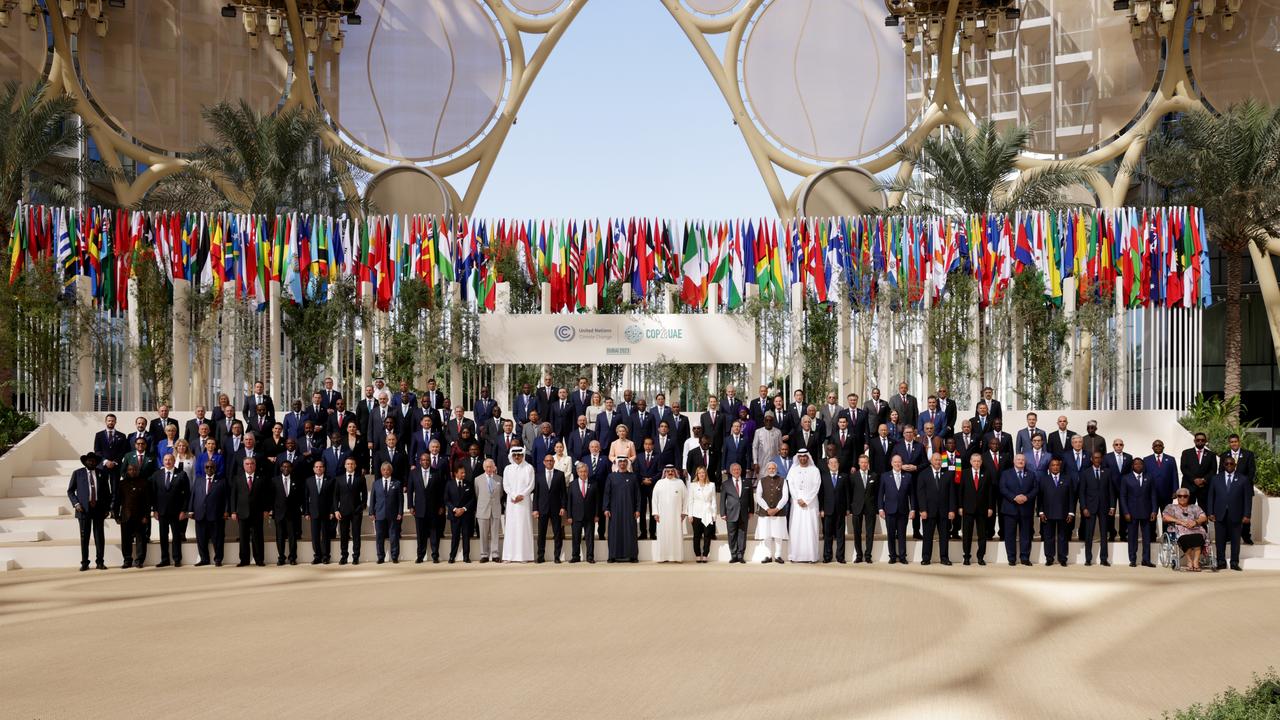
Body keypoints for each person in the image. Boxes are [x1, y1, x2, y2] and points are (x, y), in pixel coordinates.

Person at [1207, 455, 1252, 571]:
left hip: (1236, 514)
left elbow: (1247, 499)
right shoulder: (1216, 478)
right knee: (1220, 540)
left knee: (1235, 540)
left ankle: (1234, 562)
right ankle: (1221, 562)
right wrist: (1210, 512)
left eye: (1231, 464)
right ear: (1223, 465)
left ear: (1235, 465)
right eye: (1226, 464)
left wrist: (1247, 515)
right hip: (1219, 514)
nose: (1229, 466)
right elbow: (1211, 496)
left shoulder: (1243, 479)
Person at [68, 452, 112, 571]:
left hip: (98, 508)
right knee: (84, 537)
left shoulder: (102, 473)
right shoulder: (78, 473)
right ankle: (85, 563)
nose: (91, 462)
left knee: (99, 537)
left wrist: (107, 508)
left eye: (93, 461)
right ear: (85, 462)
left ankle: (100, 562)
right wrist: (76, 504)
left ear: (96, 462)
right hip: (83, 510)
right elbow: (70, 491)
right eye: (89, 460)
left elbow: (107, 493)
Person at [151, 453, 190, 568]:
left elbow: (187, 495)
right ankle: (165, 559)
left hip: (176, 512)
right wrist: (155, 510)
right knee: (163, 537)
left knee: (176, 536)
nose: (168, 462)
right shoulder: (157, 475)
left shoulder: (182, 474)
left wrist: (184, 510)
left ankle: (177, 559)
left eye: (170, 460)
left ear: (174, 461)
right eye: (166, 460)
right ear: (163, 461)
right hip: (162, 512)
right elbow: (154, 494)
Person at [408, 451, 447, 564]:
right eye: (423, 460)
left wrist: (441, 506)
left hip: (434, 509)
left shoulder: (437, 472)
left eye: (427, 460)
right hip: (419, 509)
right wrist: (410, 505)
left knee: (434, 534)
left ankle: (435, 555)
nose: (425, 462)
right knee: (421, 534)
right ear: (420, 461)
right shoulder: (414, 473)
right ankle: (420, 555)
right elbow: (410, 491)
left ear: (430, 461)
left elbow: (441, 491)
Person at [230, 457, 269, 567]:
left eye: (252, 464)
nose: (250, 466)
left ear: (255, 465)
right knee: (243, 537)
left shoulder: (261, 478)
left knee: (258, 537)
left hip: (257, 512)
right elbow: (233, 496)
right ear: (244, 466)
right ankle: (244, 560)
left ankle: (259, 559)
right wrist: (233, 511)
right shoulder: (237, 478)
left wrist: (266, 509)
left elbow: (265, 495)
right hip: (242, 512)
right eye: (247, 464)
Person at [999, 455, 1037, 567]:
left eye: (1022, 460)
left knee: (1026, 534)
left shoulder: (1031, 474)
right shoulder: (1006, 473)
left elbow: (1035, 489)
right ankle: (1011, 558)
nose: (1020, 461)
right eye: (1018, 460)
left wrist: (1027, 497)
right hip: (1010, 508)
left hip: (1026, 508)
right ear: (1014, 461)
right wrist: (1014, 497)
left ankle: (1025, 558)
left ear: (1025, 462)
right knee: (1010, 535)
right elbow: (1003, 488)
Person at [917, 453, 955, 566]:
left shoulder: (948, 474)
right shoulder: (923, 474)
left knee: (944, 536)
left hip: (944, 512)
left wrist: (952, 510)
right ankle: (926, 558)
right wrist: (922, 509)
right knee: (927, 536)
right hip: (928, 512)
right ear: (931, 460)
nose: (938, 462)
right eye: (935, 460)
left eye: (939, 460)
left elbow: (952, 494)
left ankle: (944, 558)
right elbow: (920, 494)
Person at [190, 457, 228, 566]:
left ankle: (218, 559)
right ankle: (204, 559)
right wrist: (191, 510)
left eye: (212, 467)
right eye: (207, 467)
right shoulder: (198, 480)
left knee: (218, 539)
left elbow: (226, 498)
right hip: (200, 513)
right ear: (204, 469)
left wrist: (226, 511)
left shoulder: (222, 481)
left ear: (215, 468)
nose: (209, 469)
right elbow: (193, 495)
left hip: (216, 514)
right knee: (201, 539)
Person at [1120, 457, 1157, 567]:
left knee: (1147, 537)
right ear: (1132, 466)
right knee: (1132, 537)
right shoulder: (1126, 478)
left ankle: (1146, 560)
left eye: (1140, 464)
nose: (1138, 466)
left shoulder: (1149, 477)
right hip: (1131, 513)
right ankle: (1132, 559)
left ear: (1143, 465)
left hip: (1146, 511)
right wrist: (1125, 512)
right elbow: (1123, 496)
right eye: (1136, 464)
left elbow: (1153, 495)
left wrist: (1154, 511)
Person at [1037, 457, 1074, 567]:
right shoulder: (1043, 479)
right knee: (1049, 536)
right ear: (1049, 467)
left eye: (1057, 465)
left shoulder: (1067, 478)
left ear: (1060, 466)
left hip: (1063, 513)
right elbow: (1040, 498)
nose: (1055, 467)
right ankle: (1049, 558)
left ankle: (1063, 558)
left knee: (1063, 536)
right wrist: (1041, 512)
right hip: (1047, 513)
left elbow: (1071, 497)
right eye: (1053, 465)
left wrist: (1071, 512)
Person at [603, 456, 641, 563]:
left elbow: (638, 495)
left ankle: (632, 555)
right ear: (617, 463)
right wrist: (606, 508)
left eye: (625, 462)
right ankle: (612, 556)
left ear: (627, 463)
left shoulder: (633, 477)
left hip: (630, 510)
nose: (622, 464)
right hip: (615, 510)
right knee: (614, 532)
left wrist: (638, 509)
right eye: (620, 462)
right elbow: (607, 494)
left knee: (630, 531)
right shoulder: (611, 477)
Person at [957, 453, 993, 566]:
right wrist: (960, 506)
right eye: (974, 461)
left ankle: (981, 557)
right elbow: (960, 492)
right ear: (971, 462)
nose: (976, 463)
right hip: (968, 509)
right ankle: (966, 557)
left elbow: (990, 493)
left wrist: (990, 507)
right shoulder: (964, 473)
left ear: (981, 462)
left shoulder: (986, 473)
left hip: (982, 509)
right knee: (967, 534)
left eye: (978, 461)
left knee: (982, 535)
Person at [501, 447, 535, 563]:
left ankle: (524, 556)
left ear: (523, 455)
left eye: (519, 455)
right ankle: (509, 556)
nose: (517, 457)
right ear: (511, 456)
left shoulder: (529, 468)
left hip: (524, 502)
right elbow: (506, 485)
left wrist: (522, 495)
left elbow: (531, 485)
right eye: (514, 455)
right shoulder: (507, 469)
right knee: (511, 528)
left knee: (523, 527)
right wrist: (514, 496)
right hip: (512, 502)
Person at [878, 455, 914, 564]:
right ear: (891, 463)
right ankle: (892, 556)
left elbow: (912, 495)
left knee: (902, 534)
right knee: (891, 534)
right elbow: (880, 494)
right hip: (889, 510)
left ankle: (902, 556)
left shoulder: (908, 476)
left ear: (902, 463)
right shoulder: (885, 476)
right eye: (895, 462)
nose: (897, 464)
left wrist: (913, 509)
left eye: (899, 462)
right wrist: (880, 508)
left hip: (903, 511)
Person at [1222, 434, 1257, 545]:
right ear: (1229, 443)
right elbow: (1221, 473)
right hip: (1228, 490)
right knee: (1228, 513)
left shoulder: (1248, 454)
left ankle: (1246, 536)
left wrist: (1242, 484)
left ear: (1239, 442)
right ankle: (1228, 536)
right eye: (1232, 442)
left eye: (1235, 441)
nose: (1234, 444)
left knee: (1245, 513)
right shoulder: (1224, 455)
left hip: (1244, 489)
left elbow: (1251, 472)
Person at [786, 450, 821, 563]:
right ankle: (795, 556)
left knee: (811, 528)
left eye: (804, 456)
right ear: (798, 458)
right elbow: (790, 485)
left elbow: (816, 486)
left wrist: (807, 500)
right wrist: (797, 498)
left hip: (811, 504)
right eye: (800, 457)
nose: (802, 458)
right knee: (796, 528)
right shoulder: (793, 470)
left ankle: (811, 556)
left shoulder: (815, 470)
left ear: (808, 457)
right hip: (797, 504)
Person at [114, 463, 151, 568]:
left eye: (135, 469)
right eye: (130, 469)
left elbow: (148, 502)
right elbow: (117, 501)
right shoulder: (122, 484)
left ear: (138, 471)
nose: (132, 471)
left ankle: (139, 560)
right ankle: (127, 560)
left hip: (140, 517)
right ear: (127, 471)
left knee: (141, 540)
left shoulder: (144, 483)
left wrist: (146, 516)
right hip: (125, 516)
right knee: (125, 540)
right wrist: (116, 515)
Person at [1164, 488, 1209, 571]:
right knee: (1185, 538)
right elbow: (1165, 517)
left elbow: (1204, 517)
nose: (1182, 498)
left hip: (1195, 528)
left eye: (1185, 496)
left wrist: (1195, 522)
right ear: (1177, 497)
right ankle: (1189, 561)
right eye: (1180, 496)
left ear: (1188, 497)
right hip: (1180, 529)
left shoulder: (1194, 507)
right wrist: (1180, 522)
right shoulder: (1171, 507)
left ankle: (1195, 562)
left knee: (1199, 537)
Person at [533, 453, 567, 563]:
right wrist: (535, 509)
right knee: (541, 534)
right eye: (547, 461)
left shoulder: (560, 474)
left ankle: (557, 556)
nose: (549, 462)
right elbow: (536, 494)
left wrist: (563, 507)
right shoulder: (538, 475)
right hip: (542, 508)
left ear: (554, 462)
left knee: (557, 533)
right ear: (544, 462)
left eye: (551, 460)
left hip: (556, 508)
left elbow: (563, 493)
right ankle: (540, 556)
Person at [754, 461, 789, 563]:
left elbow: (785, 497)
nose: (771, 470)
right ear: (767, 470)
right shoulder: (762, 481)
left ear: (776, 469)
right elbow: (758, 497)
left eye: (773, 468)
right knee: (766, 534)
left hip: (779, 512)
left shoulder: (783, 480)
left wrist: (777, 509)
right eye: (769, 468)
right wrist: (767, 509)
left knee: (778, 534)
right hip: (765, 513)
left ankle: (778, 555)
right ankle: (768, 555)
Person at [369, 462, 404, 563]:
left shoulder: (397, 483)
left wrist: (400, 513)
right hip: (379, 514)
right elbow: (372, 499)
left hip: (393, 515)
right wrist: (371, 512)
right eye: (384, 469)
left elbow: (400, 500)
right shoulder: (376, 483)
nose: (386, 471)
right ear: (381, 471)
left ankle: (394, 556)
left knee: (394, 536)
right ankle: (380, 557)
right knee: (379, 537)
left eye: (388, 469)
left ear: (391, 471)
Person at [268, 459, 301, 565]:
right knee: (280, 536)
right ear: (281, 468)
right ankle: (281, 557)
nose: (286, 468)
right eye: (284, 467)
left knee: (292, 536)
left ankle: (292, 557)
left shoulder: (297, 480)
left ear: (291, 468)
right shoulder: (274, 480)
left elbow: (299, 497)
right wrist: (271, 510)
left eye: (288, 467)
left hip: (292, 513)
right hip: (279, 513)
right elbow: (271, 497)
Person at [566, 461, 600, 563]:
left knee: (590, 538)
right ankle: (575, 556)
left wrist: (596, 514)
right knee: (576, 538)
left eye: (585, 471)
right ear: (577, 472)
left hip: (590, 516)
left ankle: (590, 557)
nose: (583, 473)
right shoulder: (572, 484)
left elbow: (597, 501)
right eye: (581, 472)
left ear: (588, 472)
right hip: (576, 516)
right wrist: (569, 516)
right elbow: (569, 501)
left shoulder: (593, 484)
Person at [651, 465, 686, 563]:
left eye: (672, 471)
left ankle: (677, 557)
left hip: (676, 516)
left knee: (676, 535)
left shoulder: (680, 483)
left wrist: (684, 512)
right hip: (662, 516)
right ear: (665, 472)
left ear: (675, 472)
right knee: (663, 535)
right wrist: (655, 513)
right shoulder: (659, 483)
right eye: (668, 471)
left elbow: (686, 499)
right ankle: (662, 557)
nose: (670, 473)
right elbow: (654, 499)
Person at [335, 457, 366, 565]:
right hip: (343, 512)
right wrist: (336, 510)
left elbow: (365, 495)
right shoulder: (339, 479)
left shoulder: (360, 478)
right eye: (348, 464)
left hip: (356, 512)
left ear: (355, 465)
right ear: (345, 465)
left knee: (356, 534)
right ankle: (344, 556)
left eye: (352, 464)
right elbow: (335, 497)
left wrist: (361, 507)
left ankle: (356, 556)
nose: (350, 466)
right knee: (343, 535)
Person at [304, 459, 335, 564]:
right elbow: (306, 498)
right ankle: (317, 556)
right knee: (315, 536)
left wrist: (332, 511)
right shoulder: (309, 480)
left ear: (324, 469)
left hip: (326, 513)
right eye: (316, 467)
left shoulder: (330, 480)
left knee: (326, 535)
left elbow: (332, 498)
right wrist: (306, 512)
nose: (319, 468)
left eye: (321, 467)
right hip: (313, 513)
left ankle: (326, 556)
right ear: (313, 469)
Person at [818, 455, 848, 563]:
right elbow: (821, 494)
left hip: (840, 510)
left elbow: (847, 494)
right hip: (827, 510)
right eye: (831, 463)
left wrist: (848, 508)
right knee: (828, 534)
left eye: (835, 463)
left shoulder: (844, 476)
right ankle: (827, 556)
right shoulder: (824, 477)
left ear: (838, 464)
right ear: (828, 465)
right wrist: (821, 509)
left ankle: (840, 557)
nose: (834, 465)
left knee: (840, 535)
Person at [444, 465, 476, 563]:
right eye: (462, 473)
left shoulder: (469, 484)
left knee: (466, 536)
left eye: (464, 472)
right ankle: (452, 556)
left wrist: (463, 509)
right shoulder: (449, 484)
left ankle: (466, 556)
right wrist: (455, 509)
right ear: (455, 473)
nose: (464, 474)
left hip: (465, 515)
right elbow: (446, 499)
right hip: (454, 515)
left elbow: (472, 499)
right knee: (455, 536)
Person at [849, 454, 878, 564]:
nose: (864, 464)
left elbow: (876, 492)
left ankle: (868, 555)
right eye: (862, 462)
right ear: (858, 463)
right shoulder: (853, 476)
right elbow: (851, 492)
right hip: (857, 507)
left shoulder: (874, 476)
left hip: (870, 507)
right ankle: (859, 555)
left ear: (868, 463)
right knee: (857, 533)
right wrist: (851, 507)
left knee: (870, 533)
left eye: (866, 462)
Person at [720, 462, 751, 563]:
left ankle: (740, 555)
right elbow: (722, 500)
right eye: (734, 470)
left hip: (744, 513)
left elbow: (751, 499)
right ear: (731, 471)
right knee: (732, 535)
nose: (736, 471)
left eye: (738, 469)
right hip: (730, 513)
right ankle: (733, 555)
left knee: (742, 534)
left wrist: (751, 511)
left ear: (741, 471)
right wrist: (722, 513)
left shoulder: (747, 482)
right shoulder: (725, 484)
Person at [685, 466, 717, 563]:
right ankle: (698, 554)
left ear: (705, 474)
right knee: (697, 535)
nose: (701, 474)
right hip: (696, 514)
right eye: (699, 473)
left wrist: (714, 514)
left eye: (703, 472)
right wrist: (690, 515)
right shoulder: (693, 485)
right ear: (697, 475)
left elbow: (714, 501)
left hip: (708, 513)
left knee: (707, 535)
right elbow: (690, 501)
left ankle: (705, 554)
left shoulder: (711, 485)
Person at [474, 459, 504, 563]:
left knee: (495, 534)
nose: (489, 469)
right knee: (483, 534)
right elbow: (477, 494)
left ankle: (495, 554)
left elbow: (500, 494)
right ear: (484, 468)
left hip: (495, 510)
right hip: (483, 510)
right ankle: (484, 555)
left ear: (494, 467)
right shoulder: (478, 479)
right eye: (487, 467)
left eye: (491, 467)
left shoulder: (499, 479)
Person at [1180, 433, 1217, 509]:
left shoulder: (1211, 454)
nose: (1200, 442)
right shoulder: (1186, 453)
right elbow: (1184, 468)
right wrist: (1194, 479)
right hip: (1189, 486)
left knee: (1204, 512)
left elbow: (1213, 470)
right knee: (1186, 512)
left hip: (1204, 488)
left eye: (1202, 440)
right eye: (1198, 440)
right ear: (1194, 441)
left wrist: (1203, 480)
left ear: (1205, 441)